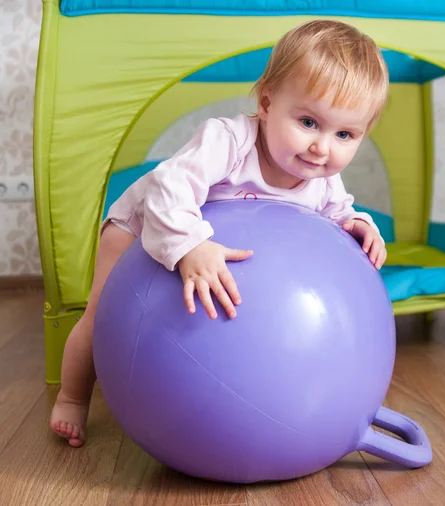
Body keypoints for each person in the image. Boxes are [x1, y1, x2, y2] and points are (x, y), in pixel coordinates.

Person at [50, 19, 390, 447]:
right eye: (308, 122)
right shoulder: (228, 141)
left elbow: (339, 212)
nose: (322, 147)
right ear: (267, 104)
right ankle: (71, 399)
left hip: (206, 246)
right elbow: (167, 188)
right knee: (99, 316)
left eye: (345, 134)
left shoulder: (322, 178)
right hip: (140, 227)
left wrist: (357, 225)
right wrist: (190, 243)